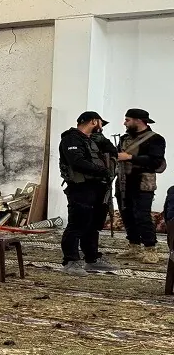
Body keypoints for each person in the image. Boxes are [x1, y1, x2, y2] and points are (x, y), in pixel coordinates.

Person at [59, 111, 118, 276]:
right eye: (100, 123)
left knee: (93, 226)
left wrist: (103, 140)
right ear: (94, 121)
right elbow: (77, 162)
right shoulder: (71, 139)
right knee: (77, 225)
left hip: (98, 187)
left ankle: (92, 259)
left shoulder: (92, 140)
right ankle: (70, 261)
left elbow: (113, 152)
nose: (102, 127)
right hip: (81, 188)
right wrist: (102, 171)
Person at [115, 108, 166, 264]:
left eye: (127, 120)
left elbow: (156, 161)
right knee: (126, 214)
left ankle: (150, 249)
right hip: (123, 181)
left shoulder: (156, 139)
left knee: (142, 216)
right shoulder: (124, 139)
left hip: (142, 182)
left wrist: (130, 157)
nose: (124, 123)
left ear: (138, 120)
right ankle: (134, 246)